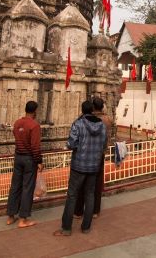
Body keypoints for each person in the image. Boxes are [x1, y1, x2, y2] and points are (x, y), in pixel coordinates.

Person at [54, 100, 106, 236]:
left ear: (82, 110)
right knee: (90, 195)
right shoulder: (101, 125)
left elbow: (72, 143)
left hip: (79, 165)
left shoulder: (78, 123)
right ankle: (86, 227)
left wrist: (70, 145)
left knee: (72, 195)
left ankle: (66, 228)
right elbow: (103, 143)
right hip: (94, 165)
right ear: (93, 110)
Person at [6, 101, 44, 228]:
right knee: (27, 188)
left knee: (15, 186)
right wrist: (39, 161)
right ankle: (23, 219)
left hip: (18, 157)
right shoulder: (34, 125)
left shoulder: (17, 123)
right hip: (29, 159)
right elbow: (35, 146)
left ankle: (11, 216)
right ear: (35, 111)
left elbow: (17, 137)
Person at [75, 96, 112, 219]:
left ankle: (78, 211)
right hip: (99, 154)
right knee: (96, 183)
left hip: (84, 154)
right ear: (102, 107)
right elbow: (106, 138)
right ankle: (95, 210)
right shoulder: (106, 120)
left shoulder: (85, 119)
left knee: (81, 182)